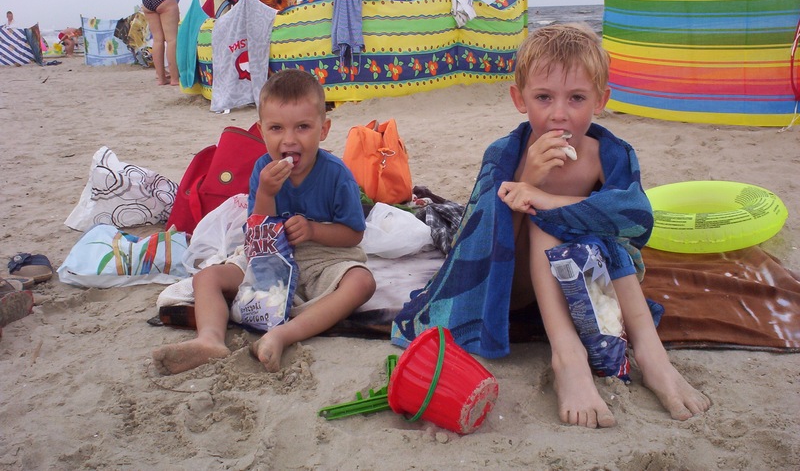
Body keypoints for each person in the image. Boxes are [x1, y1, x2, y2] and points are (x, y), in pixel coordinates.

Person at [392, 23, 711, 428]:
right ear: (519, 99)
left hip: (592, 284)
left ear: (601, 100)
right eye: (544, 97)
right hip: (514, 285)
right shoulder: (506, 154)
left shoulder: (605, 155)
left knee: (563, 218)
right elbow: (482, 236)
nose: (559, 113)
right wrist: (528, 181)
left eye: (576, 97)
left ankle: (650, 351)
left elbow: (634, 217)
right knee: (545, 220)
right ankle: (568, 357)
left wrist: (554, 201)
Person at [152, 69, 376, 375]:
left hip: (322, 257)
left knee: (362, 283)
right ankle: (210, 340)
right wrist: (267, 192)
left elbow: (354, 235)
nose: (289, 140)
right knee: (206, 278)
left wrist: (313, 230)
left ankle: (282, 335)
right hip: (268, 256)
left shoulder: (337, 175)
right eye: (276, 128)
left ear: (323, 130)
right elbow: (256, 234)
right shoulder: (263, 169)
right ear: (261, 130)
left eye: (302, 127)